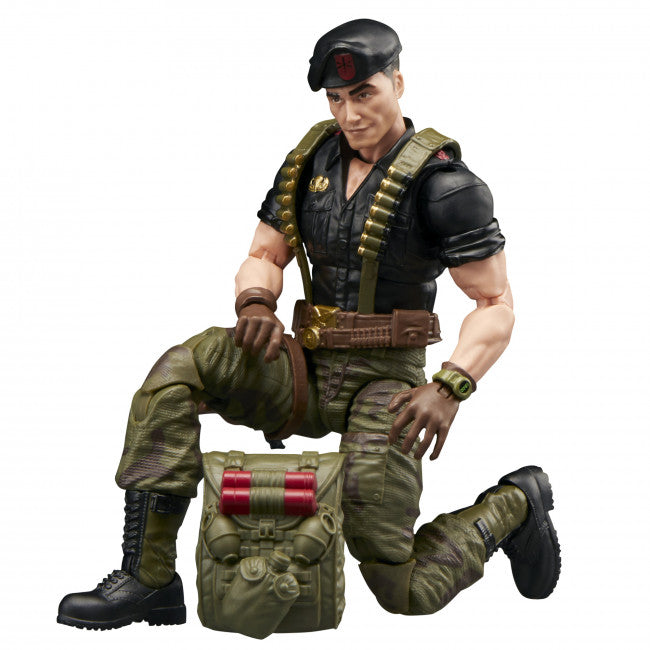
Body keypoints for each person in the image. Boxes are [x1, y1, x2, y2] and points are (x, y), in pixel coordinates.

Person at [58, 18, 560, 630]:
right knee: (180, 371)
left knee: (403, 588)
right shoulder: (310, 162)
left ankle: (515, 504)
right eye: (337, 99)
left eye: (364, 94)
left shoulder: (446, 186)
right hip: (304, 371)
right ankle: (149, 579)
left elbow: (495, 303)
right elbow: (265, 252)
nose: (350, 114)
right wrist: (255, 304)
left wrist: (450, 385)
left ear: (398, 83)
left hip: (386, 385)